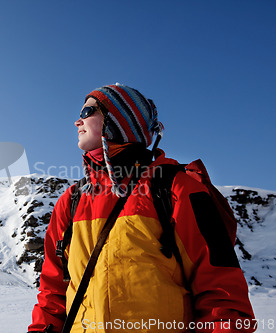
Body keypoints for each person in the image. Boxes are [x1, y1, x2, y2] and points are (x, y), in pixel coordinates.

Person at [28, 83, 255, 333]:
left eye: (87, 112)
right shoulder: (71, 201)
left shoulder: (178, 189)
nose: (76, 122)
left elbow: (222, 298)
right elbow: (52, 295)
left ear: (117, 120)